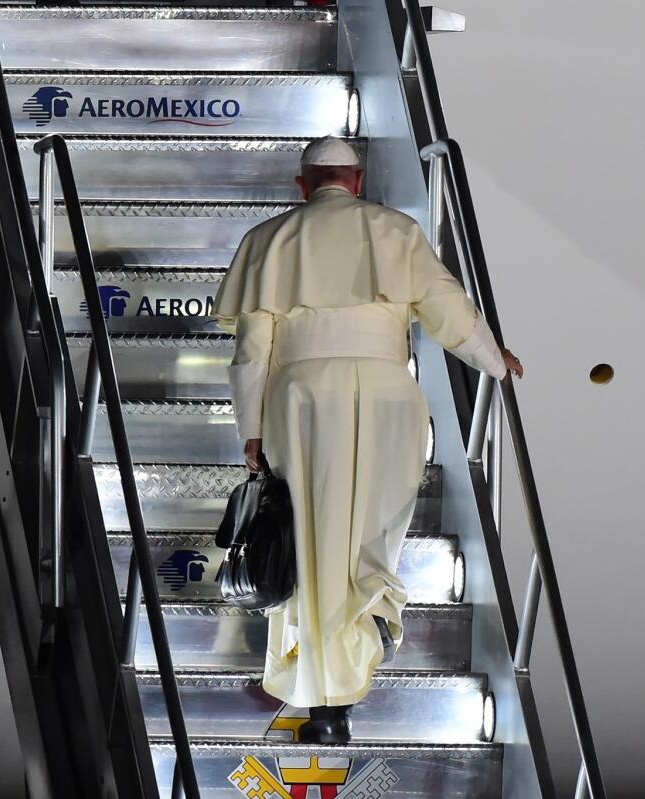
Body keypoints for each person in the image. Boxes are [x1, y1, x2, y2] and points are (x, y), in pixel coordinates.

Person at [211, 136, 522, 744]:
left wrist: (249, 429)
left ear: (303, 184)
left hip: (300, 401)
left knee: (313, 543)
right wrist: (494, 360)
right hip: (387, 395)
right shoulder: (395, 230)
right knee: (373, 535)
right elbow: (447, 309)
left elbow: (251, 354)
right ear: (357, 182)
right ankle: (367, 626)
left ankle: (324, 696)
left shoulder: (268, 240)